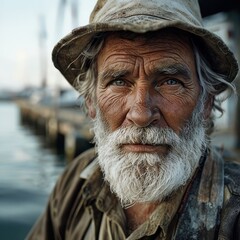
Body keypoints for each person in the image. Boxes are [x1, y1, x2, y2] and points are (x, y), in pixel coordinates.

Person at [27, 0, 240, 239]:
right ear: (91, 102)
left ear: (207, 102)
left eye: (170, 82)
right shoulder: (75, 182)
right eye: (119, 82)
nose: (140, 114)